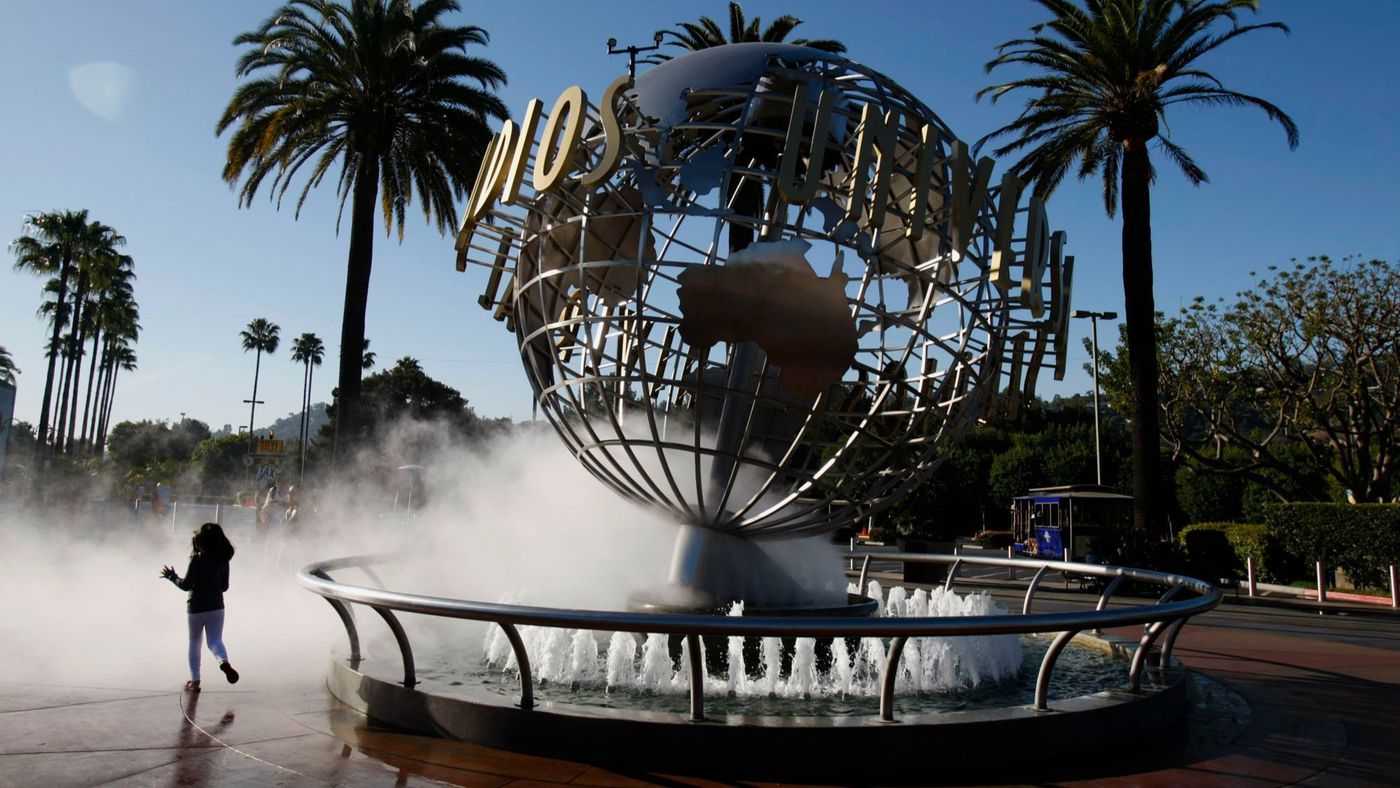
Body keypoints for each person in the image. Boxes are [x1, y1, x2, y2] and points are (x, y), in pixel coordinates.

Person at [161, 522, 240, 692]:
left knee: (195, 642)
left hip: (196, 606)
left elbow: (186, 585)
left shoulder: (198, 559)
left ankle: (195, 680)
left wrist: (172, 577)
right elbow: (225, 586)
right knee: (215, 640)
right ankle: (223, 662)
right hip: (217, 606)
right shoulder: (223, 559)